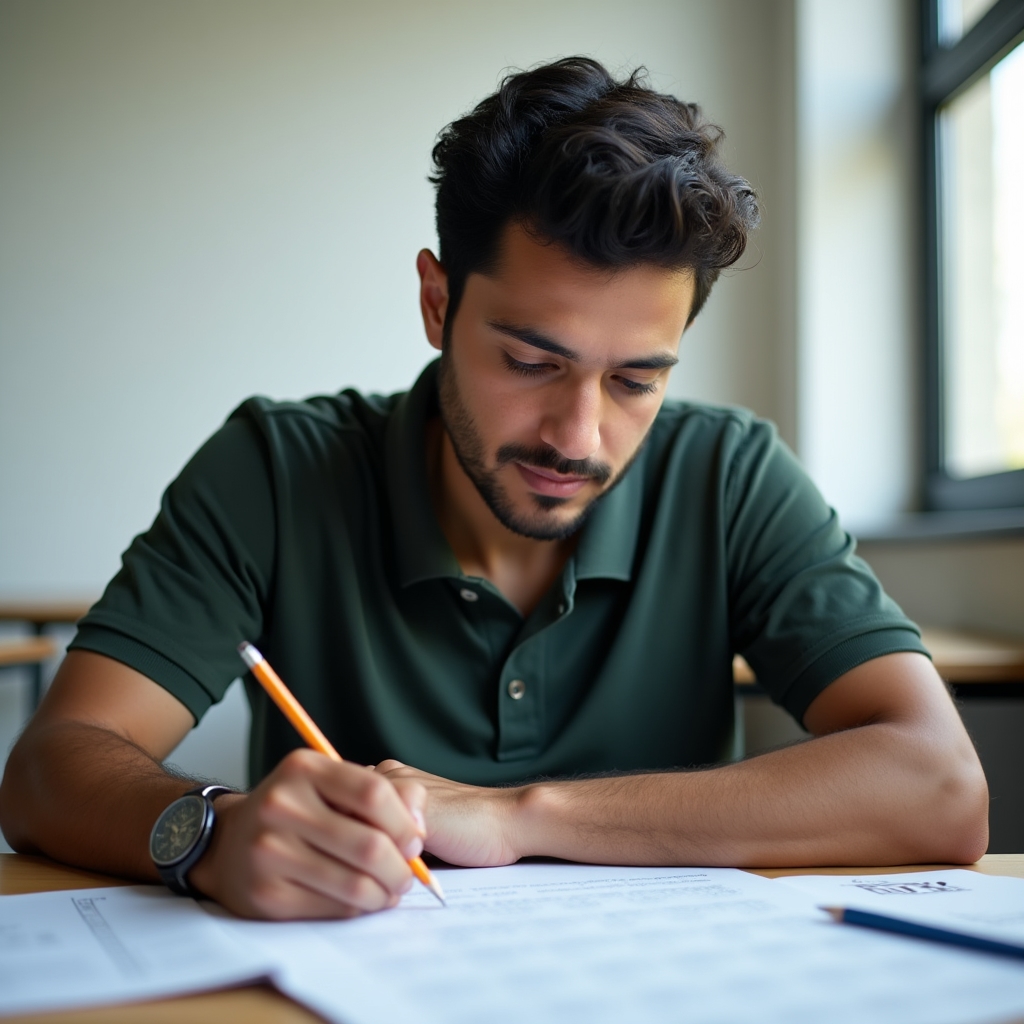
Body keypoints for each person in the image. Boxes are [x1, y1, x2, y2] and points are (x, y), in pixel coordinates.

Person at [0, 58, 987, 920]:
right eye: (529, 361)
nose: (579, 435)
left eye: (637, 379)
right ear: (438, 302)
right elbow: (51, 765)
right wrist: (208, 833)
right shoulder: (277, 467)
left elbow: (937, 784)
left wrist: (520, 815)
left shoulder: (727, 473)